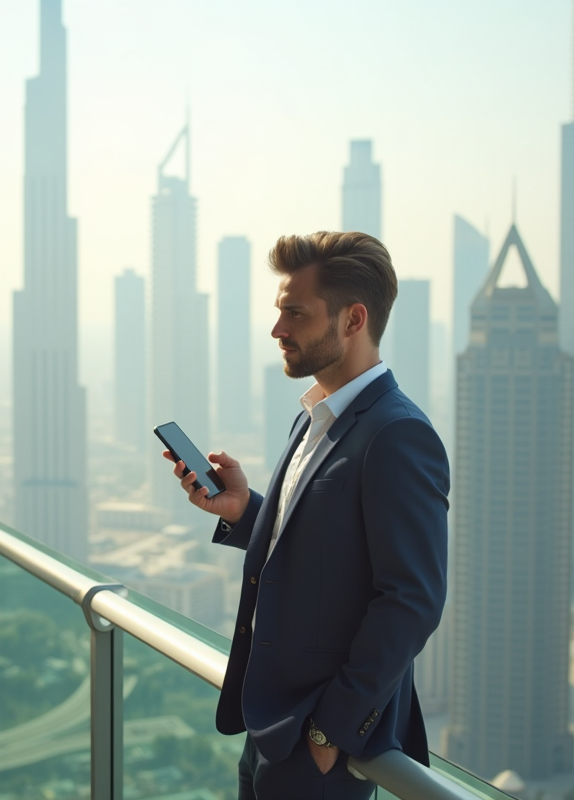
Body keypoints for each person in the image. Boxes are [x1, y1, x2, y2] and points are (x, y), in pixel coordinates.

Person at [163, 231, 449, 800]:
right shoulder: (316, 415)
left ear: (353, 319)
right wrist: (245, 512)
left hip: (320, 744)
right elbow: (324, 547)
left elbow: (413, 599)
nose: (277, 330)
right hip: (270, 724)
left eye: (295, 313)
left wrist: (330, 728)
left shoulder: (397, 434)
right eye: (279, 312)